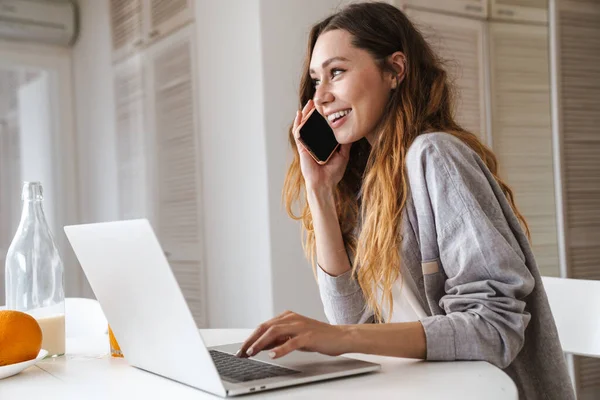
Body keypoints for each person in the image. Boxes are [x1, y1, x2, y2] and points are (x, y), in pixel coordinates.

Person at [237, 2, 574, 399]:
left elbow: (494, 327)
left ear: (395, 70)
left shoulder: (435, 156)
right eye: (315, 80)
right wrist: (321, 191)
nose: (321, 96)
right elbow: (354, 321)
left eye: (337, 72)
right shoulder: (369, 181)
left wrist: (339, 336)